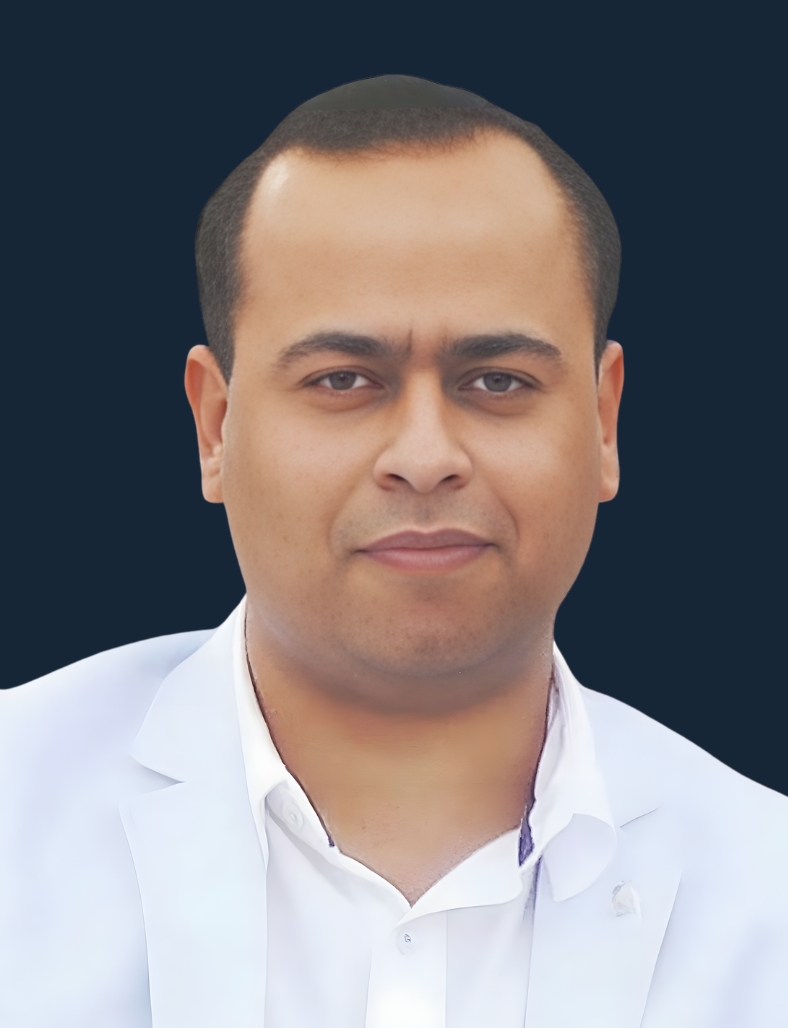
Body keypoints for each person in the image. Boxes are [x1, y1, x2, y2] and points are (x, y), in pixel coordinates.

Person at [1, 74, 786, 1028]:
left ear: (603, 419)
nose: (424, 457)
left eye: (497, 381)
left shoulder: (767, 895)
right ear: (215, 427)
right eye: (344, 380)